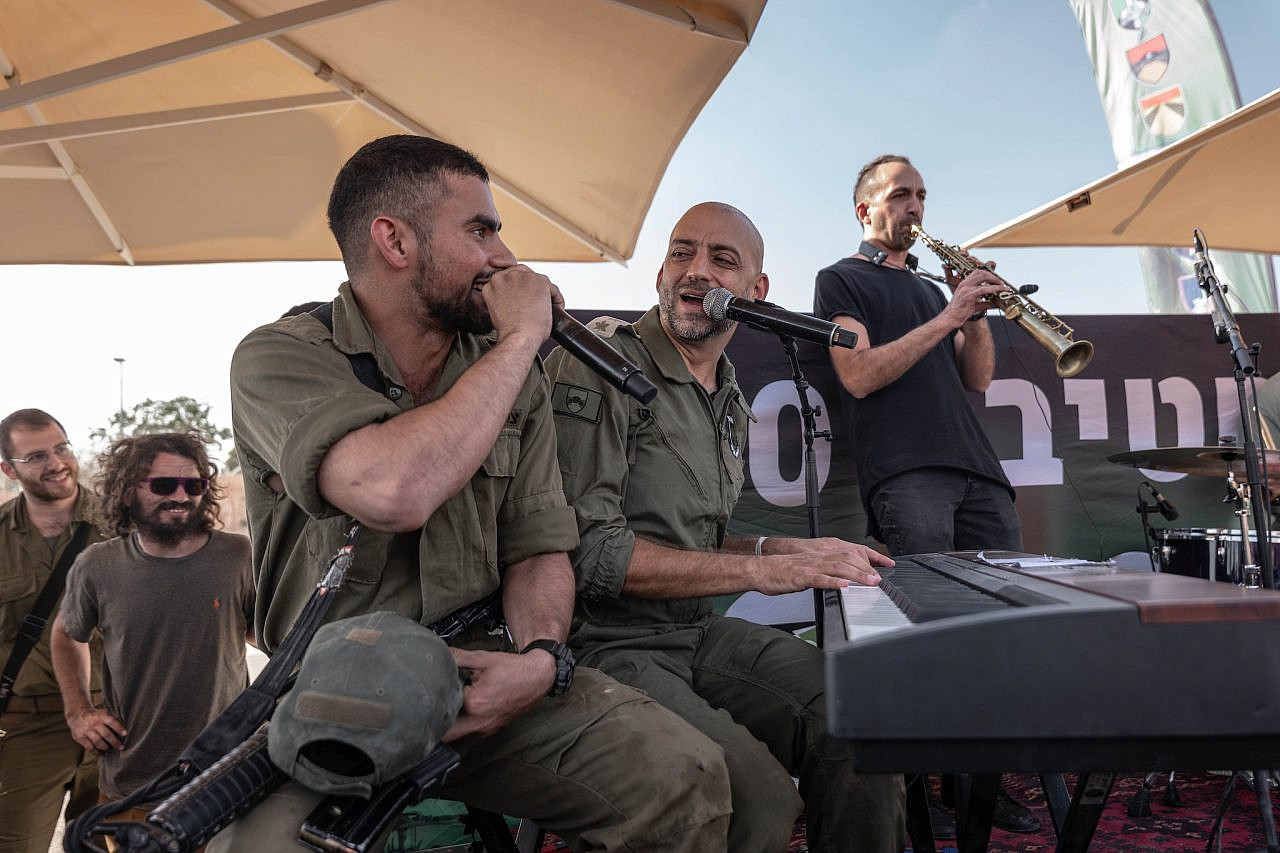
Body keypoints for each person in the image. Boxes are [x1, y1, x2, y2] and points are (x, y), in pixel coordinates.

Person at [217, 135, 731, 851]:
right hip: (342, 683)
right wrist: (521, 340)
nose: (503, 256)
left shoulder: (505, 377)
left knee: (688, 775)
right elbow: (395, 488)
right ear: (394, 240)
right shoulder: (280, 354)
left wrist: (541, 659)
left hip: (483, 667)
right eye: (481, 230)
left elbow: (540, 545)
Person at [546, 201, 906, 853]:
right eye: (681, 252)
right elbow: (587, 553)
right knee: (756, 797)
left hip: (696, 630)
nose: (696, 270)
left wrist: (784, 547)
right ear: (660, 270)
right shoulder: (605, 363)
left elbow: (698, 546)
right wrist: (762, 571)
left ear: (756, 293)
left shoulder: (731, 399)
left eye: (722, 259)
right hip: (605, 641)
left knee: (863, 716)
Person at [812, 154, 1036, 833]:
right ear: (865, 211)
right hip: (907, 473)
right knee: (929, 635)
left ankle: (981, 783)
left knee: (1001, 628)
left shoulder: (935, 295)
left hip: (978, 470)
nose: (915, 207)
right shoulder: (839, 280)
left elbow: (978, 377)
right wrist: (949, 314)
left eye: (921, 196)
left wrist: (972, 314)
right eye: (899, 195)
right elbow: (856, 374)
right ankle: (925, 792)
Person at [50, 432, 254, 809]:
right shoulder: (97, 565)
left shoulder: (238, 556)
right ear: (128, 491)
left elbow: (266, 632)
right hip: (134, 780)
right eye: (163, 484)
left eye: (193, 484)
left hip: (226, 774)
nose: (180, 496)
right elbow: (66, 633)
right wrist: (78, 713)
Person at [0, 409, 107, 853]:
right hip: (27, 728)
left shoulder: (124, 526)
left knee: (111, 845)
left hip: (114, 723)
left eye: (61, 448)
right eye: (37, 456)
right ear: (9, 468)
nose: (56, 463)